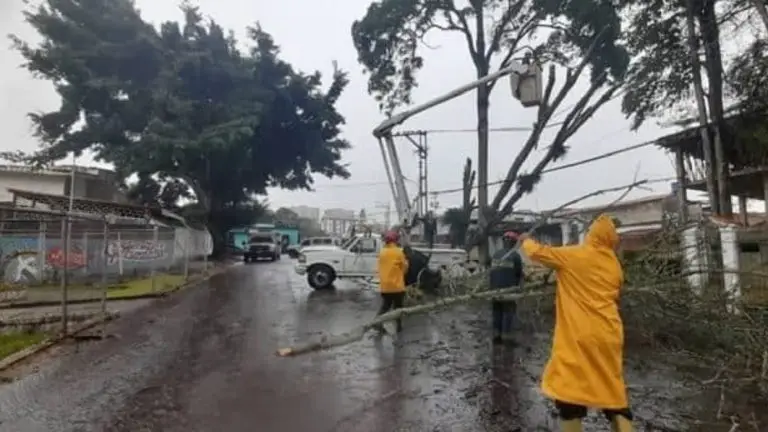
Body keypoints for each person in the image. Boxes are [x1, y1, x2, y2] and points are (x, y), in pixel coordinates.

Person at [519, 214, 633, 432]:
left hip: (579, 334)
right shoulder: (613, 264)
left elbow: (539, 253)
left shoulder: (576, 255)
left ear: (592, 234)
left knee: (569, 392)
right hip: (609, 333)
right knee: (612, 390)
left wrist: (526, 239)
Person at [488, 231, 524, 344]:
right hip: (508, 290)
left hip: (494, 290)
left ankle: (496, 337)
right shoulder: (515, 256)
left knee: (497, 313)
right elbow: (518, 274)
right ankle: (507, 339)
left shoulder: (496, 254)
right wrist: (520, 286)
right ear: (513, 243)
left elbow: (492, 273)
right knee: (508, 313)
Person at [375, 230, 409, 333]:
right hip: (397, 286)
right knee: (398, 307)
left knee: (385, 305)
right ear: (396, 240)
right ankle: (399, 326)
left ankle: (377, 323)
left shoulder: (382, 252)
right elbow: (405, 268)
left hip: (385, 286)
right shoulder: (399, 252)